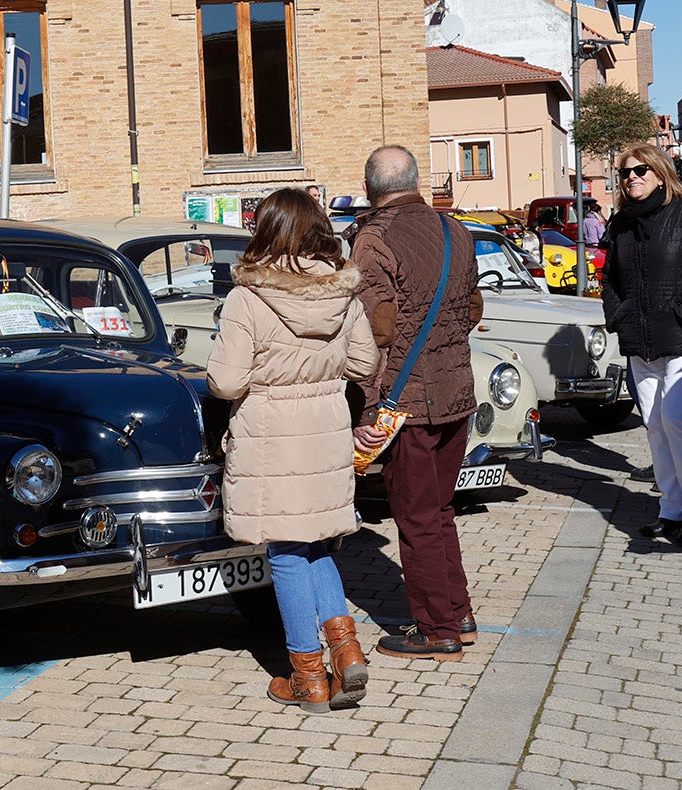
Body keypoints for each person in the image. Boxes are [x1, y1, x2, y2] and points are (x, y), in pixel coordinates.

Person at [206, 187, 379, 712]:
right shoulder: (341, 292)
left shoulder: (247, 296)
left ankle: (307, 675)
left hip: (271, 437)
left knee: (284, 550)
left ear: (267, 230)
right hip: (326, 428)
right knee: (319, 542)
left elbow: (227, 382)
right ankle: (346, 651)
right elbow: (365, 365)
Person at [350, 145, 481, 661]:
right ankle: (458, 612)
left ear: (369, 189)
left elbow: (372, 334)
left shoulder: (374, 240)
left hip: (407, 399)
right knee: (440, 509)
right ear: (416, 180)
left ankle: (437, 630)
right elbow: (472, 308)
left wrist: (365, 411)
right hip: (457, 391)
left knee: (418, 516)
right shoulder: (458, 230)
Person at [600, 143, 682, 548]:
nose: (632, 177)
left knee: (676, 416)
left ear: (659, 172)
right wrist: (619, 315)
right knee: (654, 424)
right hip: (640, 340)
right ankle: (671, 508)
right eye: (625, 172)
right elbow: (609, 279)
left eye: (640, 170)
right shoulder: (620, 223)